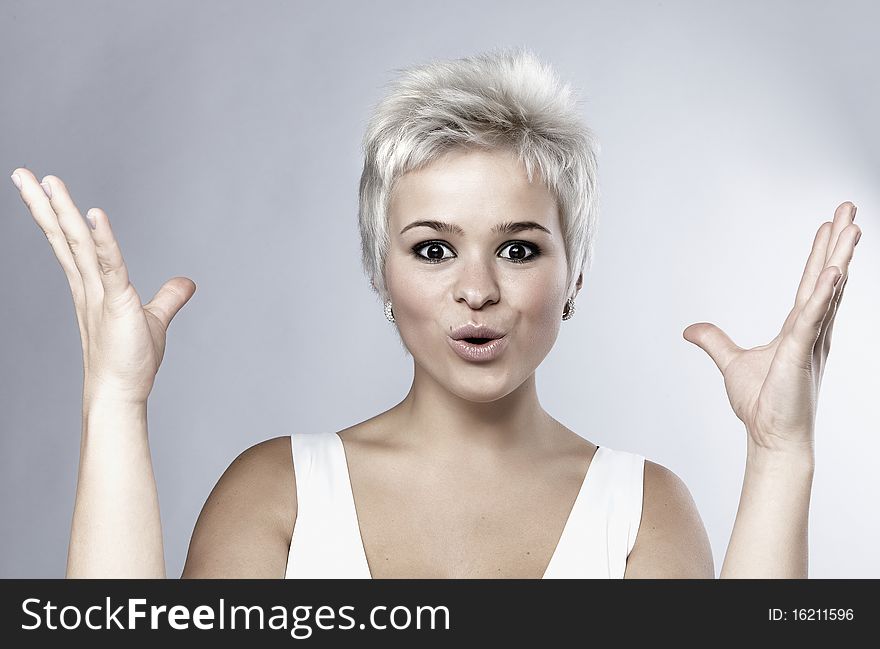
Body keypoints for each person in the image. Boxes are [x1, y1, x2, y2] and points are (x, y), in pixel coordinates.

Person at [10, 47, 860, 579]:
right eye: (432, 247)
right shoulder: (277, 492)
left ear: (575, 274)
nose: (477, 288)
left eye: (520, 247)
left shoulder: (645, 509)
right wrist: (115, 404)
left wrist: (782, 454)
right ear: (383, 273)